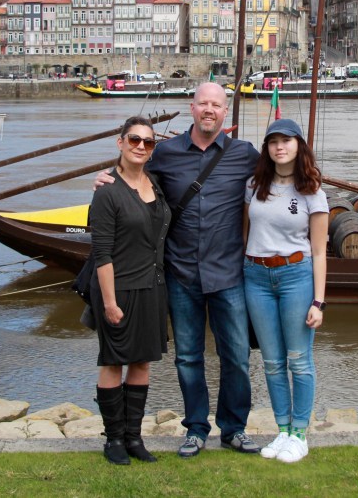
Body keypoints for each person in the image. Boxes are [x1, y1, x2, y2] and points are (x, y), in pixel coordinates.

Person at [94, 82, 261, 458]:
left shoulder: (244, 154)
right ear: (192, 107)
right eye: (203, 103)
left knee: (236, 355)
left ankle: (233, 429)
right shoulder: (165, 153)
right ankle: (196, 429)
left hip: (228, 273)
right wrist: (106, 177)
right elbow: (132, 173)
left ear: (225, 112)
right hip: (181, 272)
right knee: (187, 357)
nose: (209, 110)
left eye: (216, 105)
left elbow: (280, 175)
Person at [243, 118, 328, 464]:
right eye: (273, 141)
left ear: (298, 146)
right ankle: (282, 429)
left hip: (296, 275)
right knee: (272, 361)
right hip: (256, 277)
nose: (280, 147)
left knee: (299, 360)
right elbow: (245, 233)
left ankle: (300, 434)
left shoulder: (312, 191)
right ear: (267, 148)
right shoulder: (254, 185)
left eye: (287, 140)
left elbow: (319, 251)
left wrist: (318, 301)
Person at [89, 116, 172, 465]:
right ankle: (113, 440)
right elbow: (102, 253)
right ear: (120, 142)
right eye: (134, 139)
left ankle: (134, 438)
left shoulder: (156, 184)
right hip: (118, 289)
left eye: (148, 142)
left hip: (153, 287)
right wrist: (109, 302)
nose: (141, 146)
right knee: (113, 362)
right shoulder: (107, 191)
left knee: (141, 362)